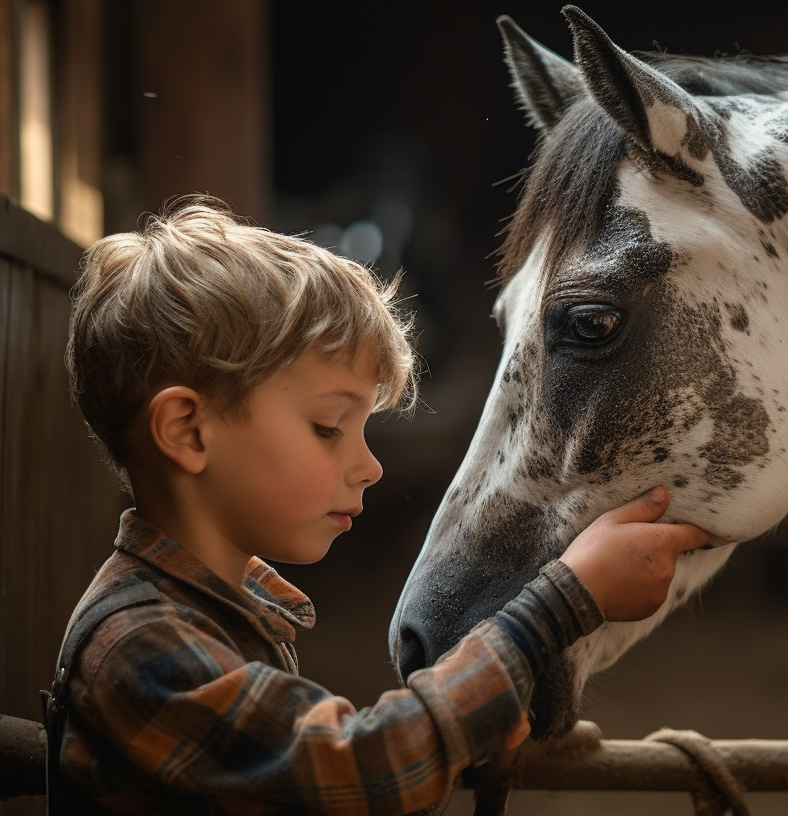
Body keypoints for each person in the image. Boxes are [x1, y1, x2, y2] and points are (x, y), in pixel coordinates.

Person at [50, 195, 708, 814]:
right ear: (188, 432)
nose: (370, 467)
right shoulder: (140, 646)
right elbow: (362, 773)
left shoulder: (217, 609)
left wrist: (477, 719)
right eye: (329, 427)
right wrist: (560, 605)